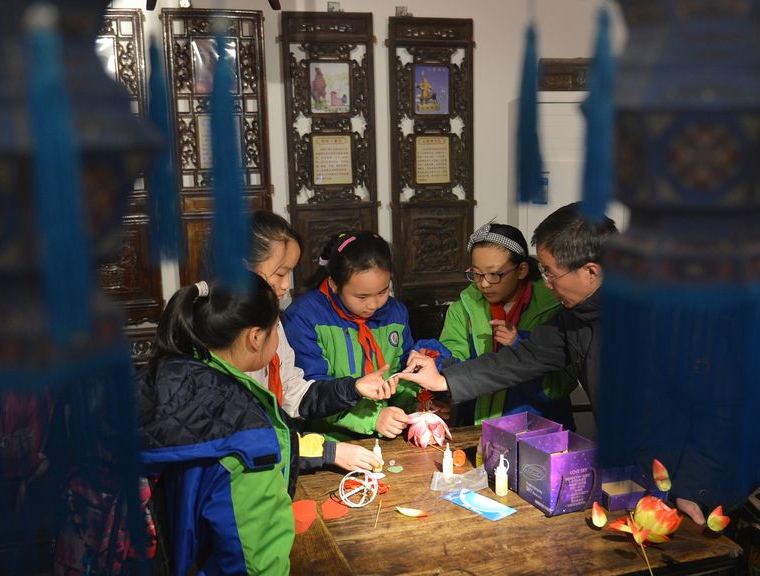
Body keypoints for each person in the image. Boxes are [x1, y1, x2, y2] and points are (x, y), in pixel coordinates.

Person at [395, 203, 708, 524]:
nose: (545, 282)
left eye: (550, 272)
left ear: (591, 271)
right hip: (630, 468)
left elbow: (719, 405)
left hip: (689, 481)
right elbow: (524, 357)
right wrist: (443, 379)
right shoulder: (576, 316)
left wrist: (695, 484)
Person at [137, 276, 393, 576]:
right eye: (277, 328)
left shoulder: (167, 377)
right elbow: (256, 564)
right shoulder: (244, 429)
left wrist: (327, 450)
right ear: (256, 337)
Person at [245, 211, 385, 469]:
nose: (286, 285)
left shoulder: (271, 320)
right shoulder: (228, 335)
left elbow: (293, 393)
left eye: (290, 273)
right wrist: (329, 452)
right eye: (280, 273)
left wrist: (353, 388)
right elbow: (249, 438)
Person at [439, 222, 577, 427]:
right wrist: (439, 378)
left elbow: (564, 383)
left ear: (521, 270)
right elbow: (450, 357)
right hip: (478, 428)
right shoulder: (463, 309)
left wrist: (520, 342)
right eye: (476, 274)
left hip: (540, 430)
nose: (484, 283)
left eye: (495, 274)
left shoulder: (555, 308)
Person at [283, 231, 417, 441]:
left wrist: (415, 406)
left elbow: (404, 372)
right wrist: (372, 419)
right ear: (334, 284)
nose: (373, 304)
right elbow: (310, 393)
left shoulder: (396, 313)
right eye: (362, 296)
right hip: (325, 441)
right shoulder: (304, 316)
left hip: (385, 434)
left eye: (383, 292)